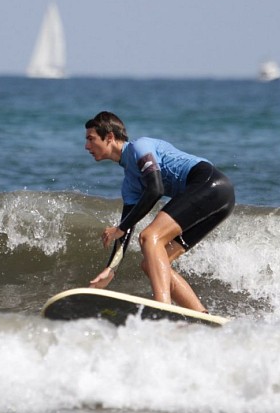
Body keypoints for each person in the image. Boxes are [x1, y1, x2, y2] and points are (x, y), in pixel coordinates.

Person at [84, 111, 235, 312]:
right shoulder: (130, 184)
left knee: (149, 237)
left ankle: (162, 307)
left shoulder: (140, 147)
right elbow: (127, 228)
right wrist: (111, 269)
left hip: (210, 184)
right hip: (218, 202)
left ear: (109, 137)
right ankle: (200, 315)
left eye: (91, 139)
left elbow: (156, 189)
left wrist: (121, 227)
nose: (87, 146)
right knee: (152, 263)